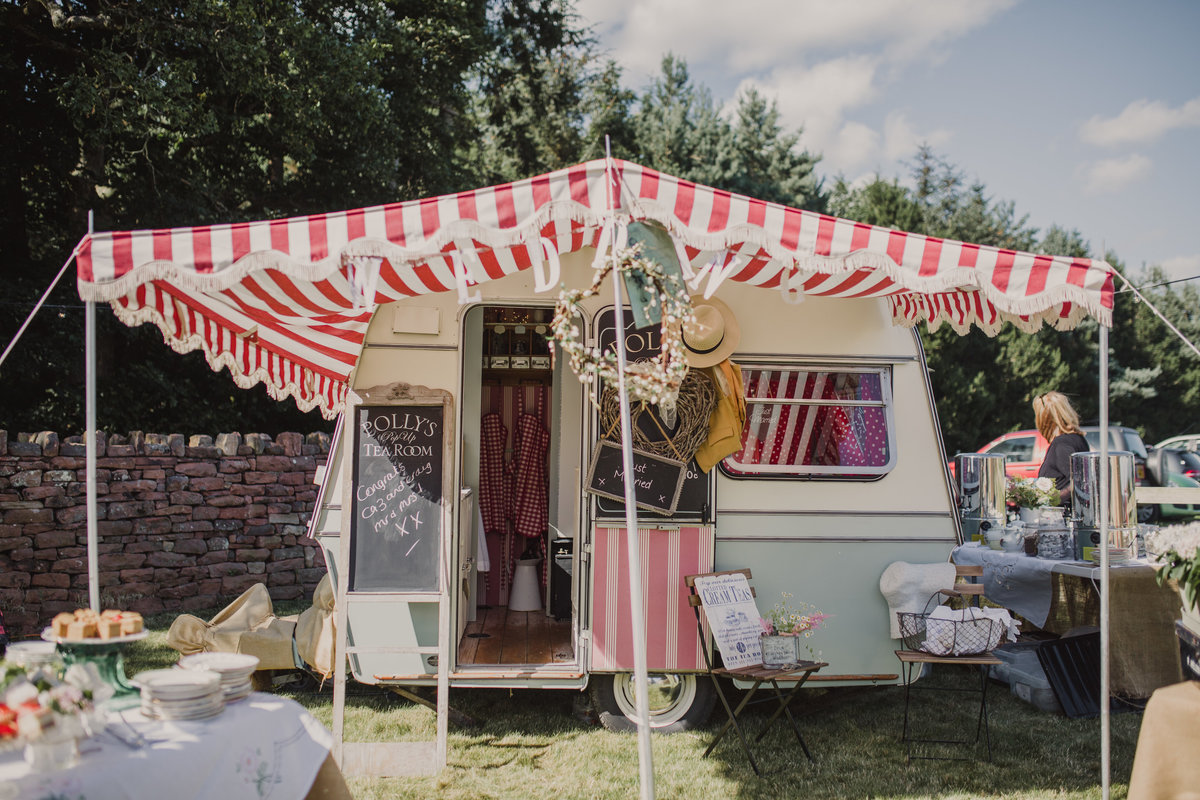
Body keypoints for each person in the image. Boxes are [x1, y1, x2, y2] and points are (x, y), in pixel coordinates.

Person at [1034, 391, 1089, 502]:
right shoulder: (1078, 439)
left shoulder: (1062, 444)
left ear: (1043, 419)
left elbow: (1077, 484)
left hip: (1059, 515)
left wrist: (1049, 500)